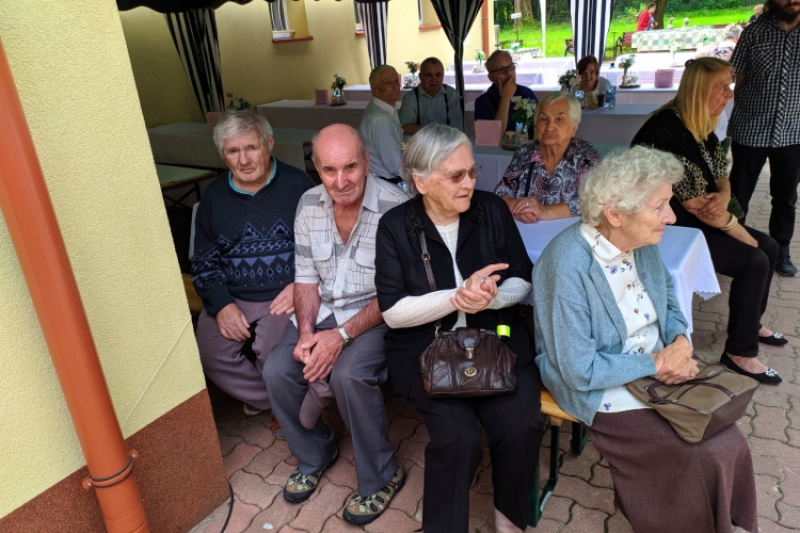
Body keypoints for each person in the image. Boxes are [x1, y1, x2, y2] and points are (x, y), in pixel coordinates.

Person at [533, 146, 758, 533]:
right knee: (693, 452)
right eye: (660, 207)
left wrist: (682, 342)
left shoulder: (639, 244)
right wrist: (657, 363)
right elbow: (578, 369)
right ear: (615, 213)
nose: (671, 216)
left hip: (657, 367)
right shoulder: (568, 264)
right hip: (600, 382)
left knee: (728, 437)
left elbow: (669, 304)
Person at [375, 124, 542, 533]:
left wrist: (490, 297)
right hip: (425, 350)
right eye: (455, 176)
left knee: (519, 425)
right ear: (420, 180)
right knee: (457, 439)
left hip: (497, 340)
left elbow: (524, 280)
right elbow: (393, 312)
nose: (469, 183)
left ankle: (510, 522)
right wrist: (456, 297)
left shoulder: (492, 210)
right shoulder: (396, 226)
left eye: (472, 171)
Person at [262, 124, 408, 525]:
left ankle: (382, 474)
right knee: (277, 369)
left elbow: (396, 293)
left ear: (366, 162)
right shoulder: (309, 204)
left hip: (376, 313)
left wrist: (340, 337)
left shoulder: (396, 207)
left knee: (347, 375)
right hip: (324, 308)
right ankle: (315, 451)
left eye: (350, 168)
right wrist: (308, 334)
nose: (341, 181)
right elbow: (306, 278)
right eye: (329, 170)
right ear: (316, 168)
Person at [632, 57, 784, 385]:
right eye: (722, 87)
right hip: (660, 227)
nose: (729, 94)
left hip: (690, 219)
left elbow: (720, 175)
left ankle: (750, 323)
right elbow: (702, 208)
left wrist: (723, 192)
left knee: (769, 247)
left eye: (729, 85)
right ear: (700, 91)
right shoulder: (670, 132)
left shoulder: (699, 125)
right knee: (756, 257)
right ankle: (740, 353)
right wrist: (743, 234)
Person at [191, 111, 314, 437]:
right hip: (236, 295)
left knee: (272, 350)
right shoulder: (214, 198)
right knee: (211, 352)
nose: (244, 160)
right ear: (223, 154)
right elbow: (203, 261)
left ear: (269, 145)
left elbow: (324, 244)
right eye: (233, 151)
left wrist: (300, 284)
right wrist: (221, 304)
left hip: (286, 292)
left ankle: (284, 405)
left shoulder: (298, 185)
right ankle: (275, 400)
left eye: (252, 148)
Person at [728, 0, 800, 276]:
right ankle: (736, 245)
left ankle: (781, 249)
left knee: (785, 197)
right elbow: (739, 78)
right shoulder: (754, 32)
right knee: (738, 193)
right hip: (751, 128)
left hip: (794, 133)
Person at [494, 92, 599, 223]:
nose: (550, 127)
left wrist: (544, 211)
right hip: (526, 232)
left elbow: (594, 201)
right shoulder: (525, 152)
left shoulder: (585, 154)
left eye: (559, 119)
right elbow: (500, 192)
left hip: (566, 234)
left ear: (574, 128)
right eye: (544, 119)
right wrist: (517, 207)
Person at [474, 50, 538, 132]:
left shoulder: (526, 93)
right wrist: (505, 98)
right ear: (491, 77)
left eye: (511, 66)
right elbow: (492, 138)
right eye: (501, 70)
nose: (509, 73)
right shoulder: (483, 102)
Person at [360, 65, 404, 184]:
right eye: (388, 83)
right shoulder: (380, 120)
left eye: (396, 81)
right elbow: (396, 167)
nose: (395, 86)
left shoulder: (384, 109)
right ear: (375, 90)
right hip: (387, 183)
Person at [398, 57, 463, 135]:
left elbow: (457, 128)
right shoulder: (410, 98)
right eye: (429, 75)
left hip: (446, 143)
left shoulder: (452, 95)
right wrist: (434, 131)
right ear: (420, 77)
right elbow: (405, 127)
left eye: (438, 75)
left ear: (443, 76)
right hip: (420, 144)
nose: (434, 79)